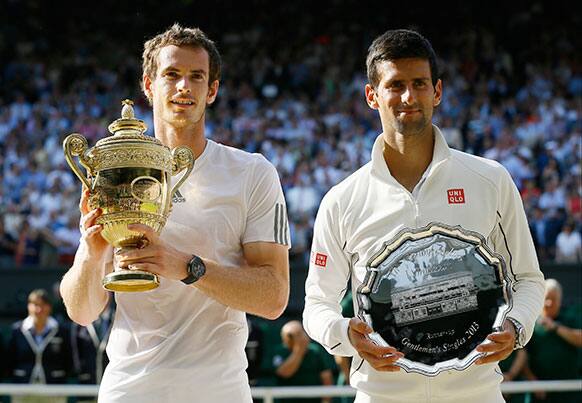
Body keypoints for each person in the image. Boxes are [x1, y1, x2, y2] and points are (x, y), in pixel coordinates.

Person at [303, 29, 545, 403]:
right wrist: (344, 334)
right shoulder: (342, 200)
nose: (408, 97)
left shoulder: (490, 179)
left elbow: (528, 279)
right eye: (395, 85)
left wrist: (516, 326)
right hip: (382, 394)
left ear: (438, 92)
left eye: (419, 83)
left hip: (476, 393)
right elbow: (316, 303)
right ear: (372, 96)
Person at [60, 23, 290, 403]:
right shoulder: (114, 175)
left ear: (211, 90)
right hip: (129, 390)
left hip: (219, 392)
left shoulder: (252, 172)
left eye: (196, 77)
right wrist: (92, 248)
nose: (184, 87)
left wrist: (186, 267)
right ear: (149, 86)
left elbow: (275, 297)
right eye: (171, 75)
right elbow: (81, 311)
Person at [5, 289, 73, 403]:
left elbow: (68, 360)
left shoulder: (62, 331)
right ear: (28, 306)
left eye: (43, 305)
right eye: (35, 305)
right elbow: (10, 359)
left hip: (55, 390)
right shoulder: (17, 330)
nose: (39, 309)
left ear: (49, 307)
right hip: (22, 389)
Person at [523, 279, 582, 403]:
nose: (549, 303)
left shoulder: (570, 317)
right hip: (540, 393)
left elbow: (579, 339)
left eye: (553, 299)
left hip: (570, 392)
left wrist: (555, 327)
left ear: (560, 301)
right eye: (546, 299)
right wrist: (533, 381)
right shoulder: (530, 323)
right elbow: (522, 357)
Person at [272, 320, 335, 403]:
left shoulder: (315, 351)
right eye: (291, 336)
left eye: (300, 333)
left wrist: (326, 401)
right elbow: (284, 373)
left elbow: (327, 378)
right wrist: (299, 351)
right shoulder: (280, 351)